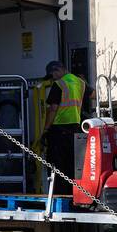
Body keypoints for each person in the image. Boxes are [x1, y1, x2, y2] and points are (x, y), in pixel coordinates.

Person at [40, 59, 86, 195]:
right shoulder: (80, 83)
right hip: (76, 129)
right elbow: (93, 94)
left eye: (52, 74)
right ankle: (74, 195)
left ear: (58, 70)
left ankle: (59, 195)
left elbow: (53, 109)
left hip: (59, 130)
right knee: (72, 165)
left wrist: (46, 130)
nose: (52, 78)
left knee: (57, 166)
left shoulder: (59, 84)